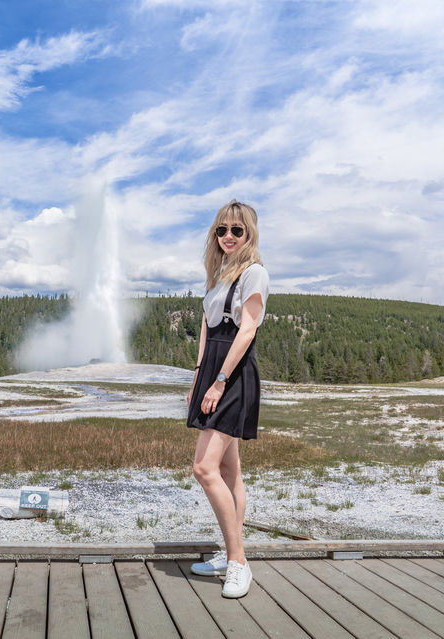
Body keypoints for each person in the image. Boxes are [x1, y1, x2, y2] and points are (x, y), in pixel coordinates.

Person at [186, 199, 269, 598]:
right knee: (230, 471)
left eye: (237, 230)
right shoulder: (218, 274)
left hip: (233, 375)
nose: (229, 236)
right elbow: (206, 331)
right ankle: (231, 552)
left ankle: (237, 561)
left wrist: (219, 381)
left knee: (204, 468)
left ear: (249, 233)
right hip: (213, 373)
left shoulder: (254, 273)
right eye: (222, 230)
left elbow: (247, 330)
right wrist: (198, 378)